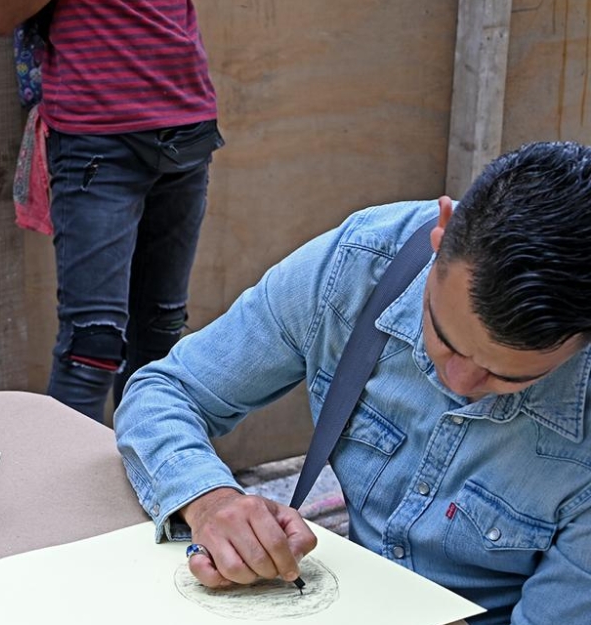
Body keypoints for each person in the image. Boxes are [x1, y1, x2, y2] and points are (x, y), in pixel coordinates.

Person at [115, 141, 591, 624]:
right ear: (442, 233)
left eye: (508, 374)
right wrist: (209, 499)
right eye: (445, 337)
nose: (459, 381)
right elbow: (166, 390)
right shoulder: (361, 265)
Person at [0, 0, 224, 422]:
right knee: (92, 347)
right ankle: (62, 489)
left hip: (188, 124)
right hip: (97, 138)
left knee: (161, 337)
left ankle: (153, 482)